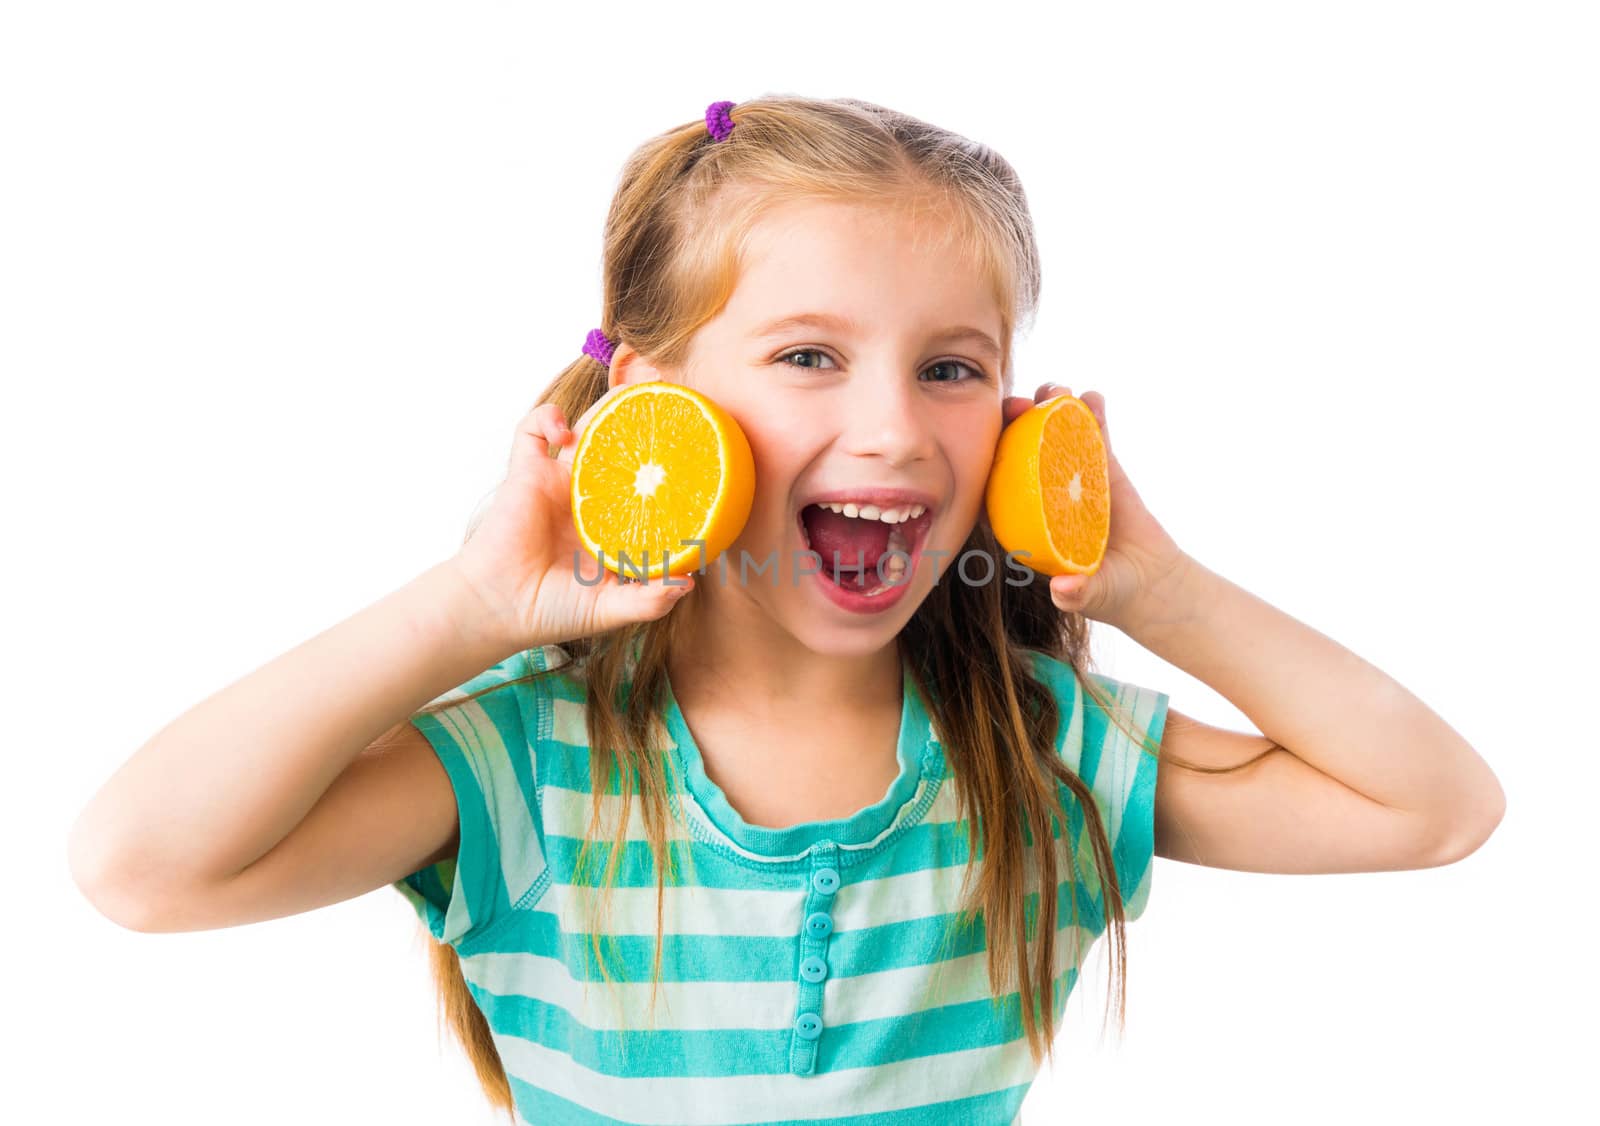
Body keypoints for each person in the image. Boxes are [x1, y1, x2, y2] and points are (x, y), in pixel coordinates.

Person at [68, 94, 1506, 1124]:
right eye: (811, 354)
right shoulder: (527, 765)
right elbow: (141, 864)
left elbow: (1433, 806)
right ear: (652, 414)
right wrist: (463, 611)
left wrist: (1154, 584)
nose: (889, 429)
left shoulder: (1043, 755)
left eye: (952, 368)